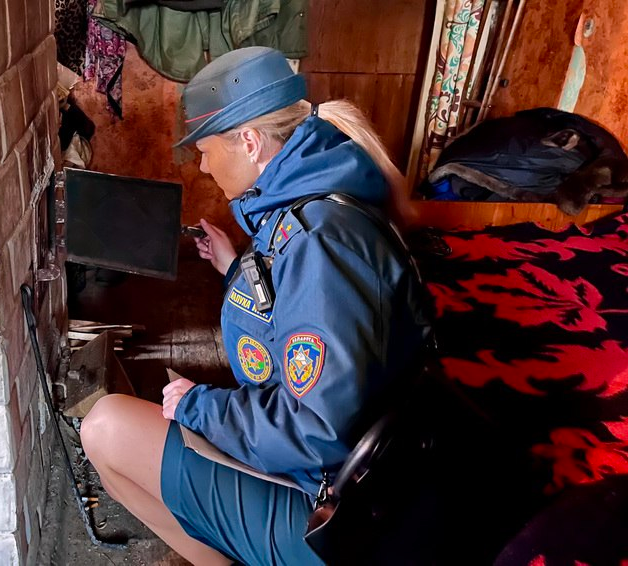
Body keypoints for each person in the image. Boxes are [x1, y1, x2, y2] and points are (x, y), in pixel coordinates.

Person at [81, 46, 431, 565]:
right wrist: (234, 268)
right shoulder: (316, 202)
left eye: (205, 150)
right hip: (348, 476)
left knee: (105, 427)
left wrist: (199, 406)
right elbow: (308, 309)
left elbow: (316, 427)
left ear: (249, 141)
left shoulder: (319, 241)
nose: (202, 165)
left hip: (336, 517)